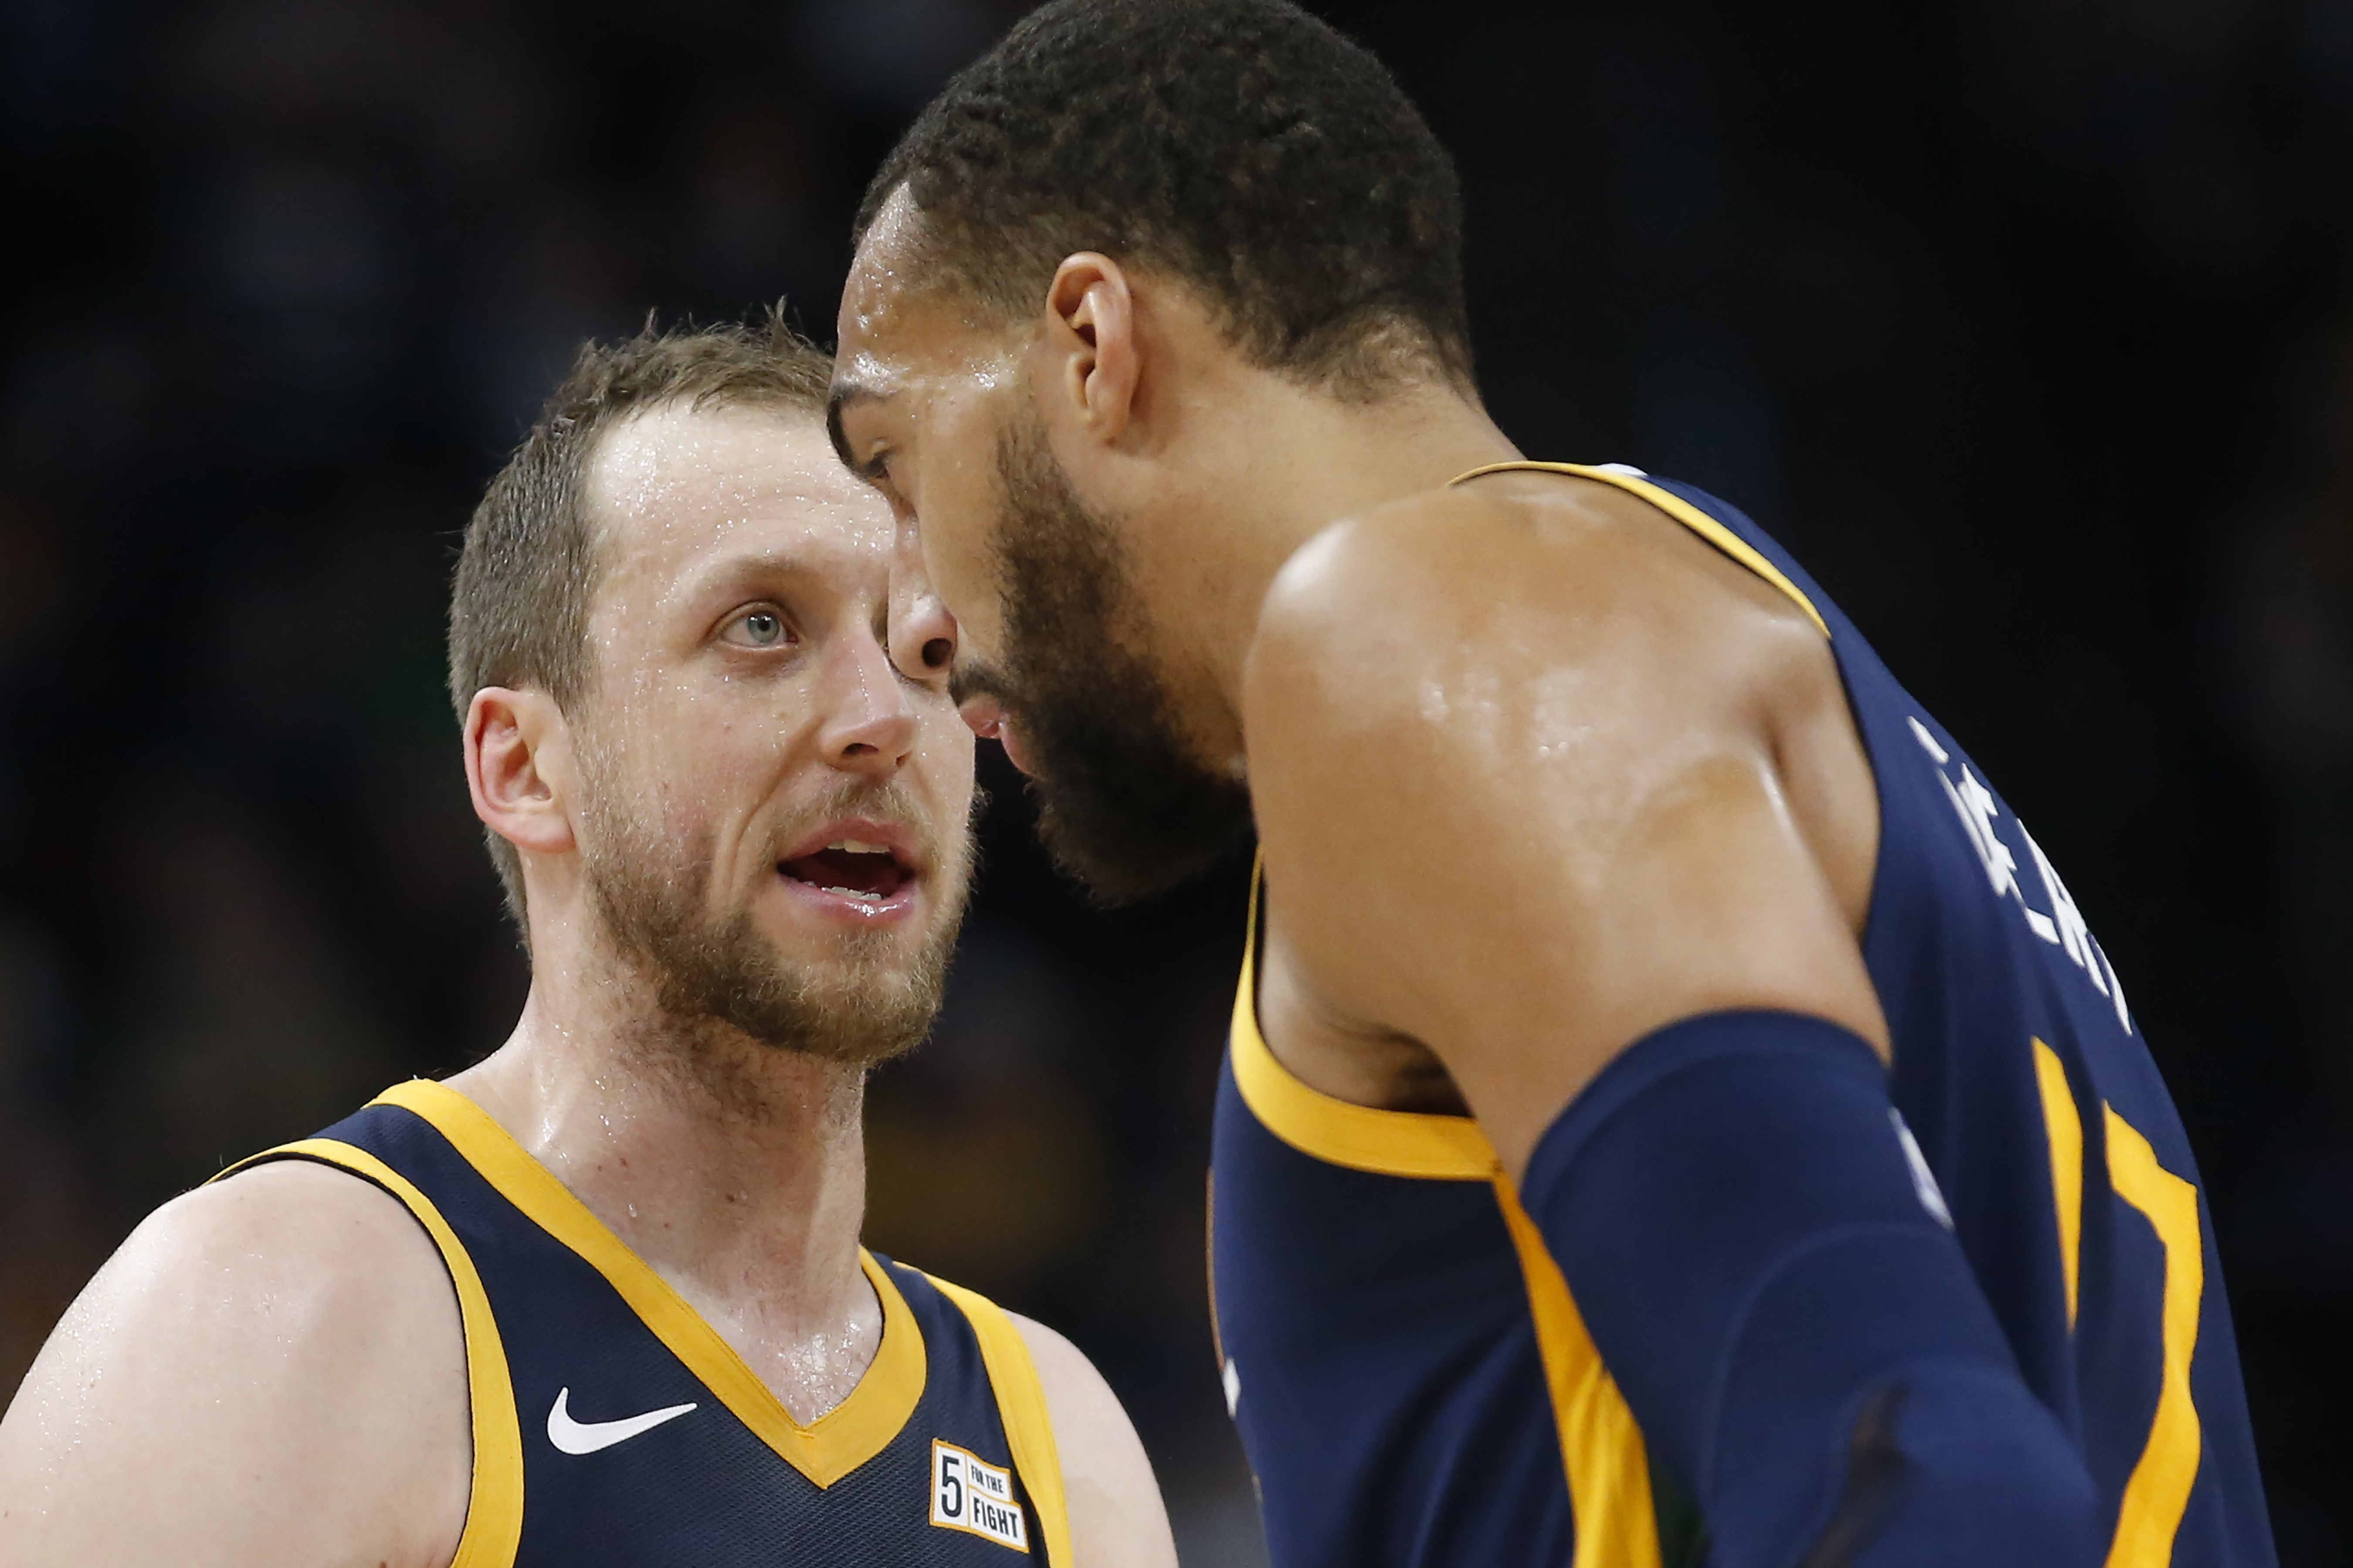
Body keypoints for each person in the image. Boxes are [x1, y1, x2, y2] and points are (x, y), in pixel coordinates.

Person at [822, 4, 2277, 1566]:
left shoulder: (1433, 633)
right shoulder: (1692, 624)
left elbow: (1923, 1475)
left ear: (1094, 347)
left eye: (893, 466)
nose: (909, 614)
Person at [0, 321, 1178, 1568]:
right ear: (524, 767)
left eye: (926, 648)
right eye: (764, 628)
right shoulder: (281, 1315)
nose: (882, 717)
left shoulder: (1058, 1443)